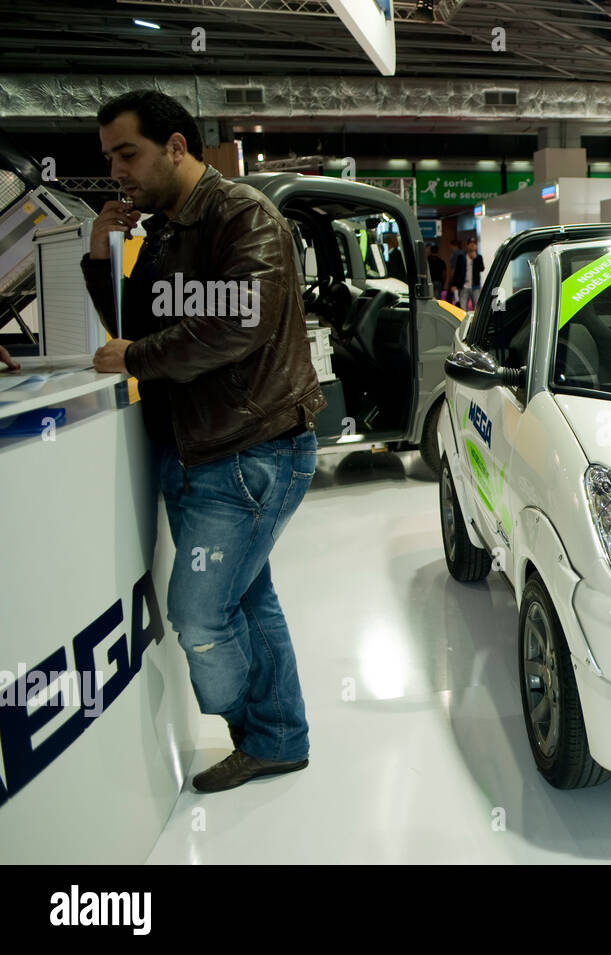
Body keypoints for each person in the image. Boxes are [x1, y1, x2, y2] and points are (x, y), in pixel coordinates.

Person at [81, 90, 325, 790]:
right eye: (109, 158)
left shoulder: (239, 215)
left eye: (128, 153)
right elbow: (139, 322)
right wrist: (102, 255)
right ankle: (278, 737)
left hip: (249, 450)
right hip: (198, 449)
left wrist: (135, 358)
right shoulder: (165, 229)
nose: (117, 170)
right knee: (247, 600)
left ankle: (250, 727)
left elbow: (233, 325)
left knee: (198, 613)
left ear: (177, 146)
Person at [450, 236, 484, 310]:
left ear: (476, 246)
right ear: (467, 245)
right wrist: (454, 284)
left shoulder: (479, 257)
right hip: (463, 286)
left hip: (476, 287)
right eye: (470, 244)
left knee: (477, 309)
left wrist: (475, 259)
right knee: (463, 308)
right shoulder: (461, 257)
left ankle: (475, 322)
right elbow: (457, 271)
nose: (472, 246)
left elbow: (481, 269)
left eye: (474, 244)